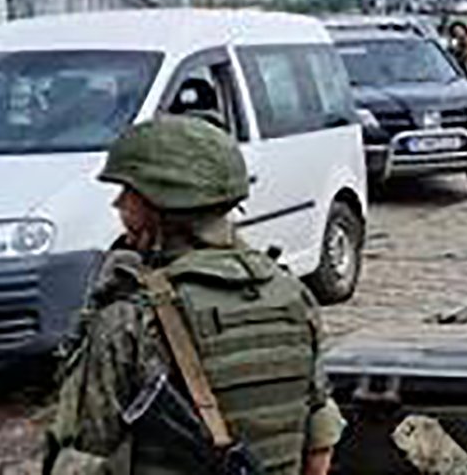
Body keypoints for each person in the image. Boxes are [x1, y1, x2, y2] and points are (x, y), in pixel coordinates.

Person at [44, 115, 343, 475]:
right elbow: (320, 437)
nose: (119, 206)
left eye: (129, 194)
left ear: (159, 205)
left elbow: (82, 460)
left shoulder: (130, 319)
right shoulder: (292, 295)